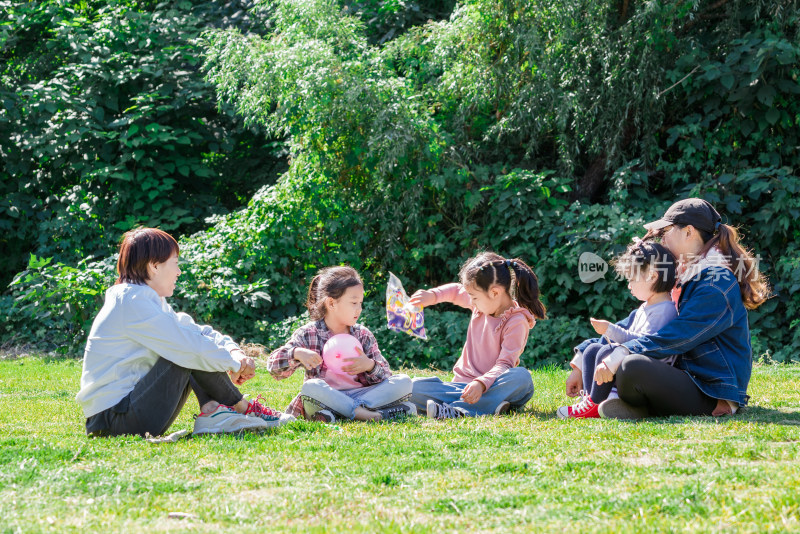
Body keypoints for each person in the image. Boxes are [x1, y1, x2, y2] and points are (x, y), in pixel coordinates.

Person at [76, 228, 293, 438]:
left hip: (124, 413)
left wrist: (234, 352)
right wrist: (235, 365)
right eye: (175, 263)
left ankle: (212, 411)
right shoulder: (132, 301)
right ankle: (242, 408)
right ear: (154, 266)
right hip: (114, 420)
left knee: (186, 345)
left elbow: (196, 331)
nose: (179, 272)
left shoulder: (146, 298)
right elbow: (187, 345)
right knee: (184, 350)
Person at [582, 198, 770, 419]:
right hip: (683, 374)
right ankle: (636, 407)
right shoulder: (685, 273)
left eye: (666, 231)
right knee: (621, 360)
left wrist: (623, 351)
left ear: (688, 231)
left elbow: (679, 335)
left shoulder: (715, 283)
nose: (661, 239)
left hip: (710, 388)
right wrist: (586, 354)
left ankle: (639, 406)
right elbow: (635, 322)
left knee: (631, 366)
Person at [267, 266, 414, 423]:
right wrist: (296, 353)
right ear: (331, 303)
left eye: (360, 303)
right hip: (327, 397)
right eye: (353, 302)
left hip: (362, 395)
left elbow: (386, 376)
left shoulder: (363, 335)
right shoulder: (309, 334)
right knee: (311, 387)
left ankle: (346, 413)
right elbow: (273, 369)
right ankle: (371, 413)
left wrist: (369, 365)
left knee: (404, 382)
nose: (359, 309)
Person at [408, 252, 546, 419]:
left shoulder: (516, 321)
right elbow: (454, 291)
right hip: (460, 388)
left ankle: (458, 410)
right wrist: (433, 295)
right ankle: (488, 406)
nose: (470, 302)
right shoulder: (481, 305)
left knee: (521, 378)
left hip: (493, 386)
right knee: (412, 387)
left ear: (495, 293)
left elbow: (505, 364)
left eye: (474, 297)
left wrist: (481, 384)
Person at [558, 242, 678, 418]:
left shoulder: (664, 310)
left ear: (652, 276)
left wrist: (610, 329)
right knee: (593, 350)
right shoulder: (646, 307)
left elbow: (642, 344)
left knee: (607, 350)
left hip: (649, 372)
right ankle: (591, 398)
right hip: (633, 364)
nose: (629, 285)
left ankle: (598, 402)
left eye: (632, 279)